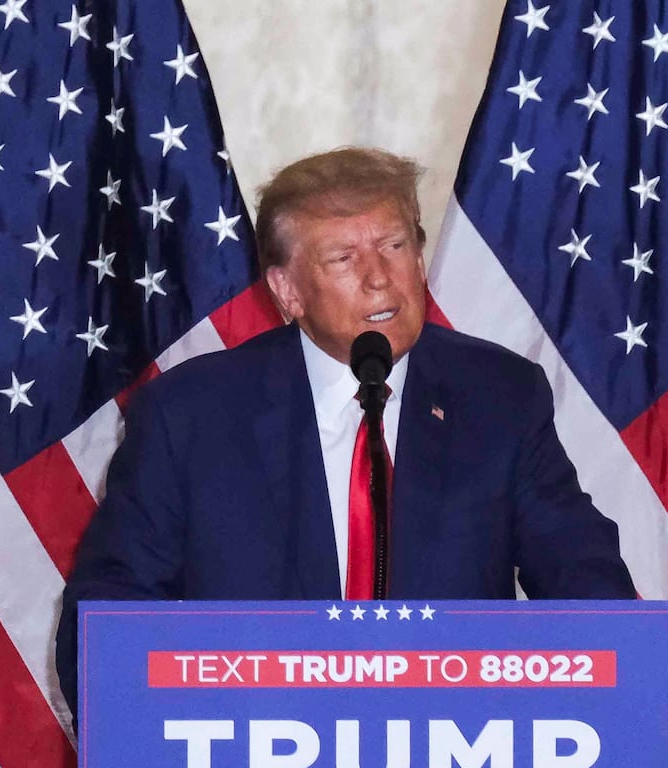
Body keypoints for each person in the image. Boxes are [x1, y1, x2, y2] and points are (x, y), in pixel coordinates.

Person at [58, 148, 634, 701]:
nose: (380, 277)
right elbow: (110, 613)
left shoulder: (500, 396)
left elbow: (582, 577)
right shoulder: (188, 416)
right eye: (343, 259)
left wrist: (613, 695)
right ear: (287, 290)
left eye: (394, 245)